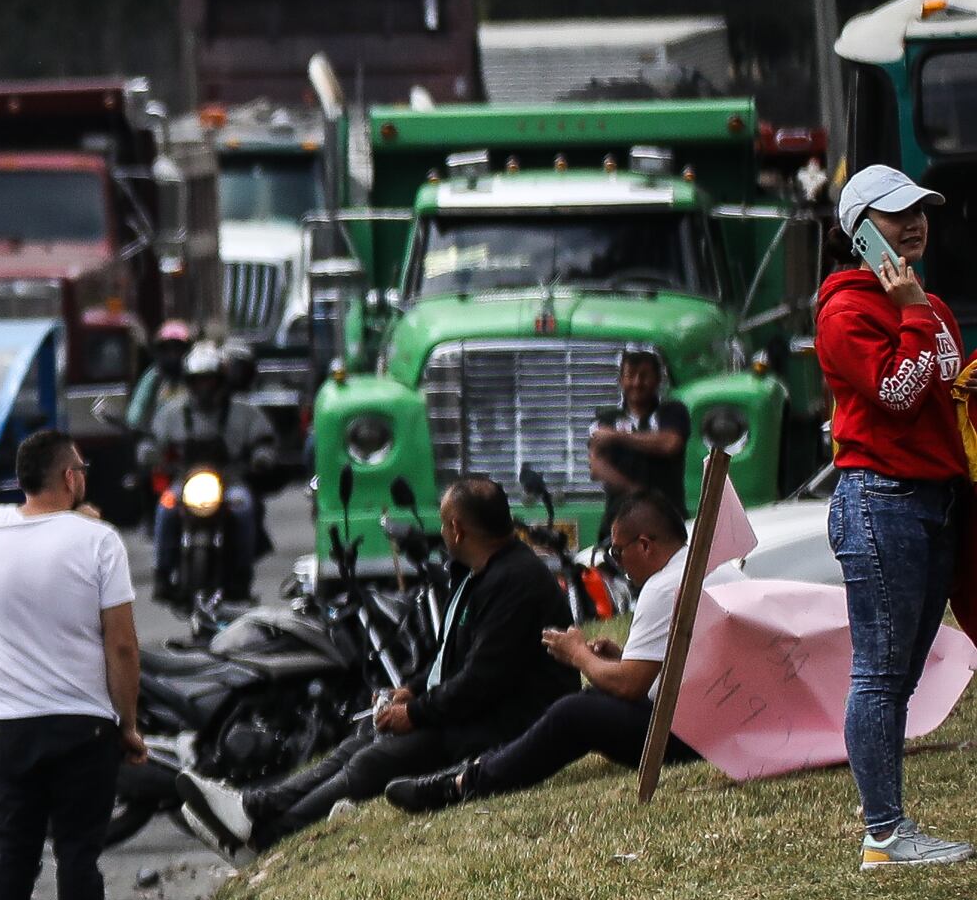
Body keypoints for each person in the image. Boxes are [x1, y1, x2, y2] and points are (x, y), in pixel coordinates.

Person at [241, 476, 573, 840]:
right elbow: (452, 657)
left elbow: (481, 681)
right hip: (480, 710)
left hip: (513, 726)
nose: (442, 533)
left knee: (375, 758)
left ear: (457, 529)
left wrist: (415, 713)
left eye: (444, 524)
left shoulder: (514, 582)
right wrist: (411, 690)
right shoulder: (478, 573)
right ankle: (261, 806)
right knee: (364, 736)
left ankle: (271, 835)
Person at [817, 162, 972, 867]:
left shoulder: (928, 304)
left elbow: (947, 383)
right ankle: (883, 832)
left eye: (920, 211)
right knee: (880, 672)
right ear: (860, 233)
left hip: (936, 502)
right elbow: (898, 392)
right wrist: (910, 309)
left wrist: (919, 310)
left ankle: (887, 822)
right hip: (881, 500)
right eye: (895, 215)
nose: (914, 225)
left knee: (900, 673)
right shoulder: (845, 309)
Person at [0, 428, 141, 900]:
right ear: (70, 477)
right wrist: (129, 723)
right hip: (83, 728)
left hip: (8, 729)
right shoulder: (99, 543)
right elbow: (122, 645)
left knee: (12, 859)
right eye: (82, 468)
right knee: (77, 857)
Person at [383, 486, 686, 813]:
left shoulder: (660, 589)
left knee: (573, 712)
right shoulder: (696, 567)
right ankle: (480, 767)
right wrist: (621, 657)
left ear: (644, 545)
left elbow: (629, 685)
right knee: (593, 698)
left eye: (617, 551)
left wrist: (578, 655)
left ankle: (461, 786)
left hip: (685, 737)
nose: (617, 562)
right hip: (703, 723)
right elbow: (677, 667)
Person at [585, 345, 691, 520]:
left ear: (658, 379)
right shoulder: (606, 419)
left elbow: (670, 444)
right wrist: (637, 492)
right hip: (619, 518)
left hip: (667, 518)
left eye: (644, 375)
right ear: (621, 380)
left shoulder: (673, 412)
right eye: (630, 375)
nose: (637, 383)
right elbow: (597, 466)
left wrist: (617, 437)